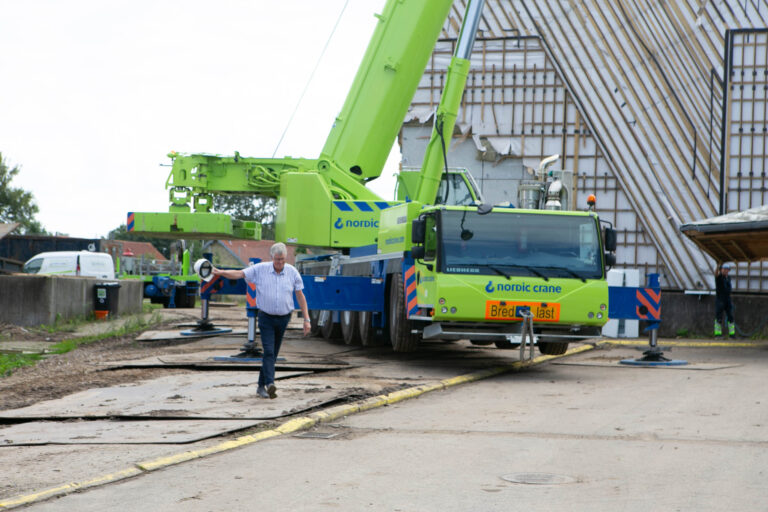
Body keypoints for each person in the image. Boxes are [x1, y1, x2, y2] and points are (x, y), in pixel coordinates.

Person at [211, 242, 311, 399]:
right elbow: (240, 274)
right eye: (277, 259)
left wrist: (307, 319)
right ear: (271, 257)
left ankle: (260, 386)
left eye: (283, 259)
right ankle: (270, 384)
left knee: (272, 354)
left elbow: (300, 296)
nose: (280, 263)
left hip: (284, 318)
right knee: (269, 351)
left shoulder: (292, 272)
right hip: (266, 317)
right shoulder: (260, 269)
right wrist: (221, 272)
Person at [714, 262, 735, 337]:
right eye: (724, 269)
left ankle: (732, 334)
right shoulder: (719, 277)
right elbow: (715, 274)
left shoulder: (728, 278)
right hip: (720, 299)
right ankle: (717, 334)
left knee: (730, 316)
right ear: (721, 270)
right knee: (719, 316)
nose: (726, 271)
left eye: (727, 270)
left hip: (727, 299)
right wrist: (717, 266)